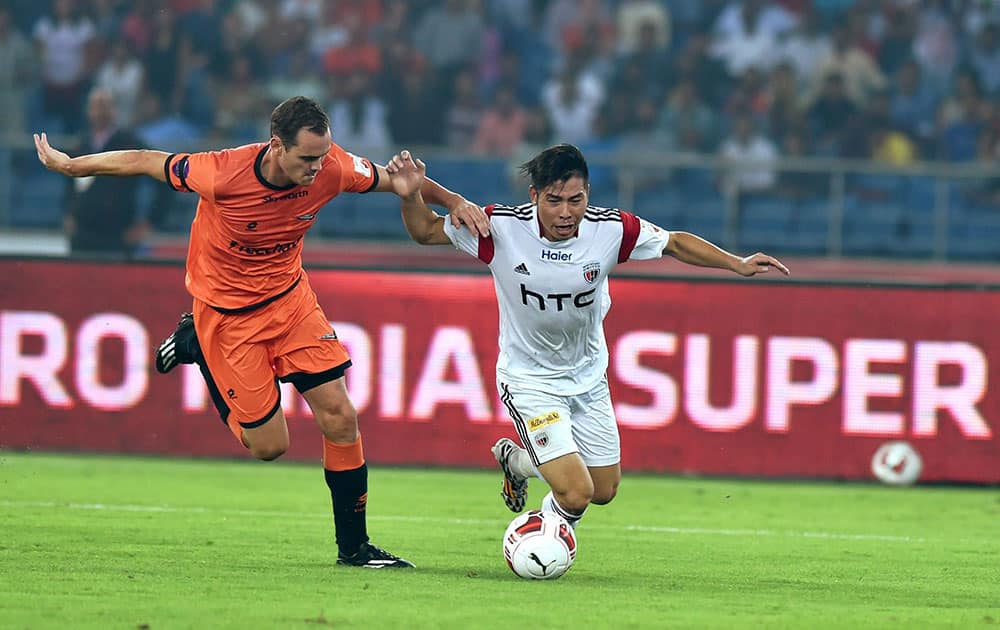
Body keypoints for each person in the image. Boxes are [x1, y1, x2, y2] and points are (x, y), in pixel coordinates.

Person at [34, 96, 489, 568]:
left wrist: (455, 201)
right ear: (276, 146)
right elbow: (146, 160)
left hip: (290, 302)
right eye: (307, 158)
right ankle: (197, 345)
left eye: (323, 155)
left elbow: (401, 180)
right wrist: (74, 167)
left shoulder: (333, 167)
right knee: (270, 447)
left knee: (340, 416)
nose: (318, 168)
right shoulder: (221, 172)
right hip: (228, 317)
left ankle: (354, 547)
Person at [389, 143, 788, 531]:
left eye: (575, 200)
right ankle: (540, 539)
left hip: (588, 379)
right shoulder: (501, 229)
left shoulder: (610, 229)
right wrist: (410, 198)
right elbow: (425, 232)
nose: (566, 213)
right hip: (530, 380)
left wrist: (736, 263)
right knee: (576, 493)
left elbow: (674, 242)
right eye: (554, 200)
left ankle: (516, 461)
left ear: (588, 194)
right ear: (534, 196)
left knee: (602, 489)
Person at [64, 88, 170, 258]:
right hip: (83, 235)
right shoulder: (80, 145)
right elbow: (69, 183)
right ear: (88, 110)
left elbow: (165, 177)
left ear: (115, 110)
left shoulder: (130, 143)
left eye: (104, 105)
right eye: (95, 105)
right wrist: (68, 213)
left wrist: (150, 222)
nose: (99, 111)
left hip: (118, 236)